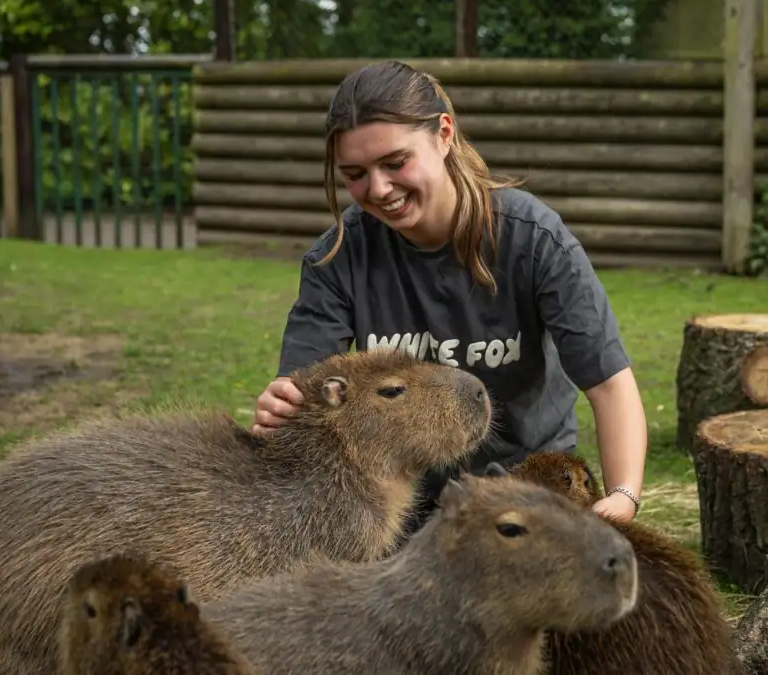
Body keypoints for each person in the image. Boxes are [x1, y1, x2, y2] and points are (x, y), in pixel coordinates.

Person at [251, 59, 648, 530]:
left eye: (396, 163)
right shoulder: (336, 256)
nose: (378, 189)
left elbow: (608, 384)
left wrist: (623, 497)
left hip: (527, 483)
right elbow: (308, 395)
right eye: (354, 174)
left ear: (444, 134)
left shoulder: (534, 239)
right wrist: (281, 406)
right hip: (402, 490)